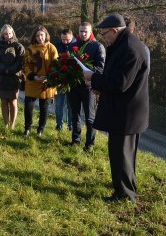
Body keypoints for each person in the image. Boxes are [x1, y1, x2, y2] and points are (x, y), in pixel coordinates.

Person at [84, 13, 149, 203]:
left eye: (105, 34)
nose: (104, 38)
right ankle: (126, 186)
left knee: (122, 154)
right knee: (124, 153)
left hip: (127, 113)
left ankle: (124, 195)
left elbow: (120, 83)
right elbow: (116, 79)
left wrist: (93, 78)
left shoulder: (129, 49)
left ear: (114, 30)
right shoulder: (123, 44)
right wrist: (101, 88)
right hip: (125, 111)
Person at [68, 22, 105, 152]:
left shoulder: (97, 46)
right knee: (75, 114)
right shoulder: (72, 46)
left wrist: (87, 73)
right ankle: (75, 140)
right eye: (81, 31)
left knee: (90, 117)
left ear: (90, 32)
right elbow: (67, 64)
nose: (83, 34)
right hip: (74, 86)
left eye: (85, 31)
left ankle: (89, 144)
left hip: (89, 87)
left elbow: (100, 67)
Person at [23, 25, 58, 137]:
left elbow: (56, 64)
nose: (40, 37)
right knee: (29, 106)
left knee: (44, 107)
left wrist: (49, 77)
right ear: (35, 36)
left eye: (41, 35)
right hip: (33, 81)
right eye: (37, 35)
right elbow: (25, 65)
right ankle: (27, 128)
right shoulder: (30, 49)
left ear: (45, 35)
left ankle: (40, 129)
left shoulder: (51, 48)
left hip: (46, 82)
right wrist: (33, 76)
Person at [0, 24, 25, 129]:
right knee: (4, 101)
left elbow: (20, 62)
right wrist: (4, 69)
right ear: (2, 34)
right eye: (5, 34)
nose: (8, 35)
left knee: (13, 101)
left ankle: (13, 124)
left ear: (13, 33)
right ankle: (6, 124)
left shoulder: (18, 46)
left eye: (9, 33)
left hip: (14, 78)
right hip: (2, 77)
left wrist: (10, 70)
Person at [53, 29, 76, 131]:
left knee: (71, 105)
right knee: (59, 104)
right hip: (60, 79)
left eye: (67, 40)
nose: (65, 42)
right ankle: (59, 124)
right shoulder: (57, 45)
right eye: (63, 39)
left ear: (72, 37)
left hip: (72, 80)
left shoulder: (77, 46)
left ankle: (71, 126)